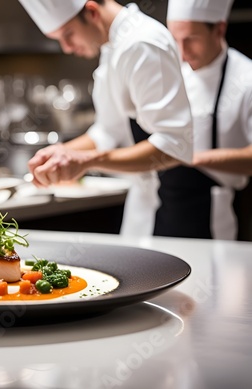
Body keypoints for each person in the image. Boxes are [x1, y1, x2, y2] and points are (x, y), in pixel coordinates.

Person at [18, 0, 194, 237]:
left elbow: (175, 145)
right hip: (143, 205)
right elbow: (108, 131)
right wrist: (61, 153)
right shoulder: (113, 46)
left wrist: (87, 160)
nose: (67, 48)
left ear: (91, 11)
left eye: (67, 34)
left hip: (177, 212)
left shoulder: (143, 44)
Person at [166, 0, 252, 240]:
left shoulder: (246, 78)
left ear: (220, 29)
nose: (182, 53)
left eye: (192, 39)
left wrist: (188, 158)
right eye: (175, 39)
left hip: (216, 220)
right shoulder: (171, 73)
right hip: (164, 213)